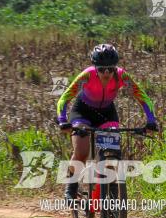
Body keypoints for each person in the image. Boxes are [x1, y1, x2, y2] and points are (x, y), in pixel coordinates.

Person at [56, 43, 159, 202]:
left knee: (111, 157)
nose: (106, 72)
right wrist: (62, 120)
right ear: (95, 67)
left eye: (110, 69)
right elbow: (64, 98)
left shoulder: (122, 76)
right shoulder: (87, 75)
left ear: (115, 68)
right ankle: (71, 186)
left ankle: (111, 197)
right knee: (82, 151)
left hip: (107, 113)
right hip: (83, 112)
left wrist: (151, 121)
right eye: (102, 69)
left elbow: (143, 97)